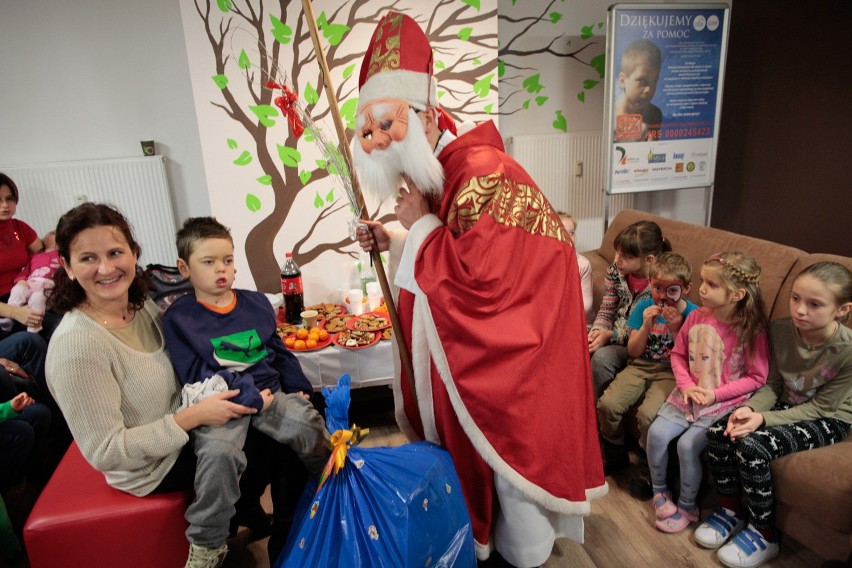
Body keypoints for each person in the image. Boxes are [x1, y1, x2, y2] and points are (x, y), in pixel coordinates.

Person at [352, 12, 605, 567]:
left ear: (421, 115)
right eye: (368, 131)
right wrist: (395, 235)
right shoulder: (439, 171)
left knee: (511, 484)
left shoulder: (482, 171)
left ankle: (517, 553)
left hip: (518, 356)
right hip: (474, 357)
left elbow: (484, 284)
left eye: (387, 126)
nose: (377, 143)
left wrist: (417, 227)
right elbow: (442, 245)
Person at [45, 203, 313, 568]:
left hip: (191, 418)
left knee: (299, 413)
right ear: (67, 266)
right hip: (153, 462)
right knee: (278, 444)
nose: (106, 268)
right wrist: (194, 417)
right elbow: (106, 451)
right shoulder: (77, 346)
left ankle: (272, 523)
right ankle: (278, 539)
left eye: (115, 253)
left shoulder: (143, 309)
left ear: (134, 254)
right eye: (88, 257)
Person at [161, 215, 328, 533]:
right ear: (185, 268)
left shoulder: (256, 303)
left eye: (227, 260)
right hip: (221, 405)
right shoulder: (179, 318)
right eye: (208, 262)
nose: (221, 269)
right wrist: (248, 398)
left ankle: (331, 488)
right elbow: (195, 374)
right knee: (218, 455)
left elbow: (278, 352)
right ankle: (207, 540)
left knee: (308, 422)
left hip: (271, 396)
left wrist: (297, 385)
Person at [693, 262, 851, 568]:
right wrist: (750, 409)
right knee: (719, 432)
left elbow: (823, 408)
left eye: (814, 304)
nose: (800, 310)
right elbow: (773, 385)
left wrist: (763, 420)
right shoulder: (779, 330)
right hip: (785, 402)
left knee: (752, 446)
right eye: (795, 298)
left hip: (831, 417)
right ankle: (730, 512)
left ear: (843, 309)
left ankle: (764, 534)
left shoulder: (847, 350)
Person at [647, 252, 769, 534]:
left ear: (737, 294)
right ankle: (659, 492)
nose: (701, 289)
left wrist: (716, 395)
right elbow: (677, 355)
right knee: (656, 434)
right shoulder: (696, 317)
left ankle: (688, 507)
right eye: (702, 281)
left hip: (722, 403)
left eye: (711, 285)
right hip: (686, 395)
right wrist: (687, 385)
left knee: (687, 446)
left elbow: (757, 377)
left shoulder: (752, 329)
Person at [596, 252, 697, 496]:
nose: (663, 297)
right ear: (650, 284)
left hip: (672, 372)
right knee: (608, 404)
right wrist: (644, 327)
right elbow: (633, 350)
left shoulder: (693, 314)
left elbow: (692, 359)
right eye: (657, 288)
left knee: (647, 415)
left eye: (671, 290)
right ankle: (615, 453)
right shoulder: (643, 306)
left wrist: (676, 330)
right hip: (640, 365)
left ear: (686, 289)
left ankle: (648, 468)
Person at [589, 220, 671, 400]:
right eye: (617, 251)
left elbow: (646, 331)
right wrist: (598, 331)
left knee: (602, 358)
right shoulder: (615, 272)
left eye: (625, 256)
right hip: (613, 331)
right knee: (573, 337)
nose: (617, 259)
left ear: (649, 260)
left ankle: (596, 415)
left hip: (639, 343)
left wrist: (611, 336)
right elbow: (607, 308)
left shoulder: (662, 286)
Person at [0, 173, 48, 340]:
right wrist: (15, 312)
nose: (5, 205)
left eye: (10, 199)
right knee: (33, 339)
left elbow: (44, 251)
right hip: (4, 310)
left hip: (24, 292)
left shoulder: (19, 228)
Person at [0, 232, 60, 333]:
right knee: (17, 290)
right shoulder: (34, 257)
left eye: (55, 233)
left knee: (37, 298)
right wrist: (21, 281)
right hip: (30, 284)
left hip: (48, 288)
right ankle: (8, 319)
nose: (51, 234)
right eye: (51, 233)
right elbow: (25, 271)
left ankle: (34, 328)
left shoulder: (62, 256)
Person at [613, 39, 663, 142]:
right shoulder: (611, 118)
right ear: (622, 81)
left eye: (654, 81)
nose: (649, 89)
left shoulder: (654, 114)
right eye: (642, 81)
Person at [558, 212, 594, 324]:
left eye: (572, 233)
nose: (569, 237)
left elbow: (587, 304)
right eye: (563, 232)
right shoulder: (544, 261)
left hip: (579, 321)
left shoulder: (583, 264)